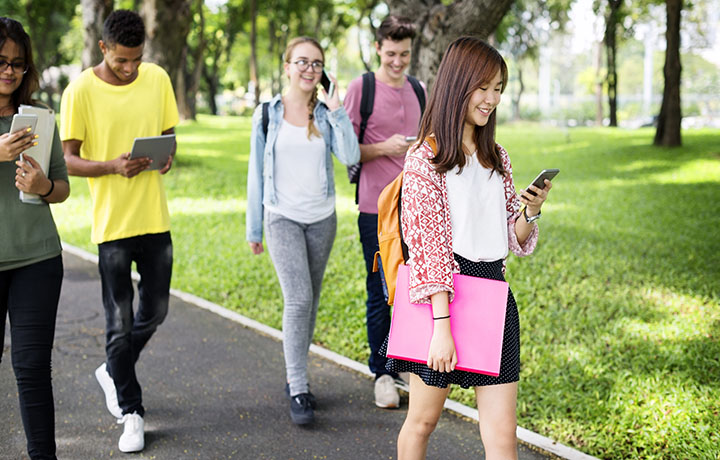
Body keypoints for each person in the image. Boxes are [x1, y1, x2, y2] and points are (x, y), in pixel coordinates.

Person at [386, 37, 552, 460]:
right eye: (485, 87)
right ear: (460, 83)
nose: (492, 99)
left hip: (492, 295)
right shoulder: (426, 158)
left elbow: (512, 239)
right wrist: (442, 328)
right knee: (421, 423)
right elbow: (428, 249)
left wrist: (530, 212)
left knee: (501, 437)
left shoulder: (497, 156)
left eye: (499, 88)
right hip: (441, 297)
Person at [59, 9, 178, 453]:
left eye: (137, 60)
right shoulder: (80, 91)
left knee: (157, 310)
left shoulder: (157, 78)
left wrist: (167, 155)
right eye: (121, 60)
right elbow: (67, 158)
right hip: (111, 226)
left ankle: (112, 369)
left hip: (154, 219)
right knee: (118, 322)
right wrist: (112, 166)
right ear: (103, 48)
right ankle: (131, 412)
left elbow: (169, 136)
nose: (130, 69)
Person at [246, 37, 360, 425]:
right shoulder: (267, 113)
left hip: (322, 219)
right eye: (302, 62)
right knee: (298, 299)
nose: (309, 70)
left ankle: (297, 374)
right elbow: (254, 175)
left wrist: (338, 110)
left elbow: (350, 156)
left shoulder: (327, 114)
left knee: (310, 301)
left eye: (316, 64)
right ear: (287, 66)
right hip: (282, 217)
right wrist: (254, 228)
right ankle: (298, 386)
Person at [343, 15, 426, 409]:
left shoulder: (419, 90)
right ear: (378, 48)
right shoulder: (363, 88)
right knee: (381, 290)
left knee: (416, 289)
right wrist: (385, 148)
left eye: (405, 54)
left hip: (415, 207)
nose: (398, 61)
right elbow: (345, 150)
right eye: (391, 53)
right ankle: (381, 372)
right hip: (374, 209)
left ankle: (407, 364)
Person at [0, 17, 71, 460]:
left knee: (31, 369)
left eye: (18, 64)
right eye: (1, 61)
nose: (9, 71)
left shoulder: (39, 117)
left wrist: (42, 186)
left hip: (37, 260)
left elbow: (62, 188)